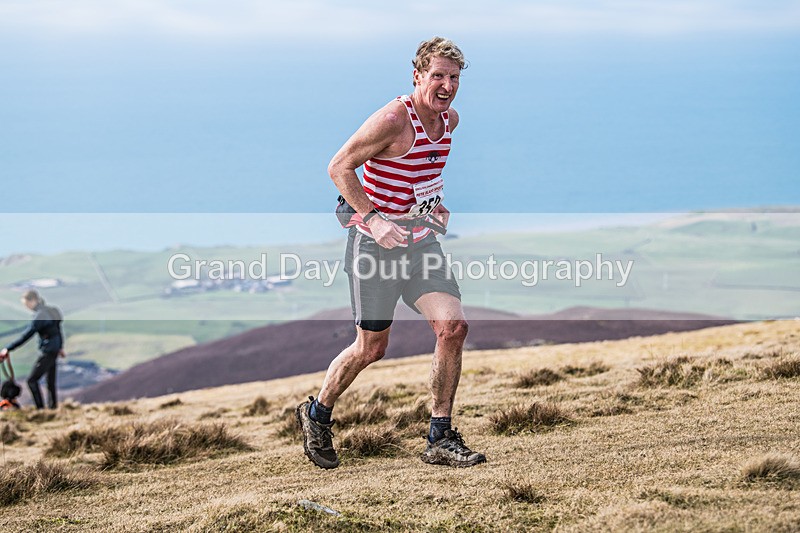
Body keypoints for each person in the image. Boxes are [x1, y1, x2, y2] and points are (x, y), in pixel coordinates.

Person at [296, 37, 486, 469]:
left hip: (421, 245)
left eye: (454, 77)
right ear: (418, 76)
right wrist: (375, 218)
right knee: (371, 349)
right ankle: (317, 413)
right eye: (437, 76)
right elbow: (338, 167)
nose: (446, 85)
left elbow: (420, 175)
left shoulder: (449, 122)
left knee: (453, 329)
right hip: (374, 249)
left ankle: (439, 437)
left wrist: (434, 206)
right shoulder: (393, 119)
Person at [0, 289, 65, 409]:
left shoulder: (40, 316)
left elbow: (26, 335)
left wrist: (8, 349)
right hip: (54, 349)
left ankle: (40, 409)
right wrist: (60, 347)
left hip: (48, 350)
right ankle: (52, 409)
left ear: (33, 300)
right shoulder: (49, 311)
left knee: (32, 380)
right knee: (50, 382)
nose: (26, 307)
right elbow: (57, 330)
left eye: (26, 304)